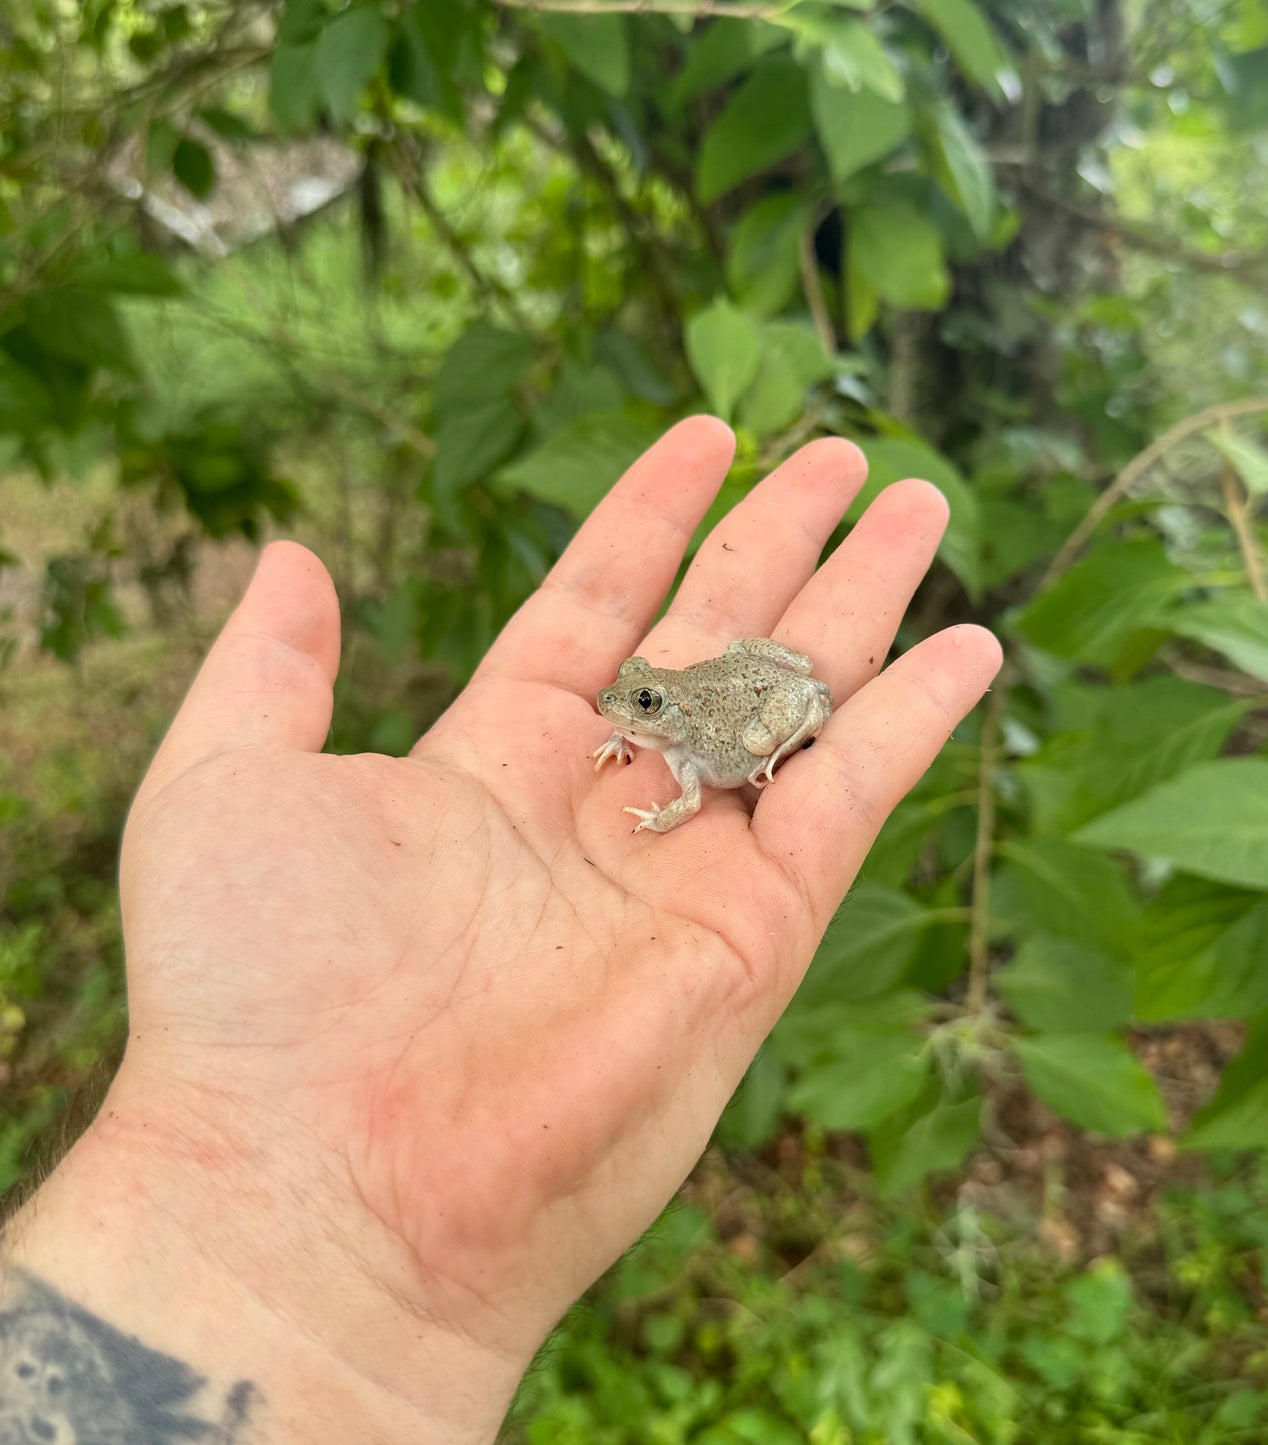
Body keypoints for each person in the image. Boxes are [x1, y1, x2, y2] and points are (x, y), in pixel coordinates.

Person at [0, 419, 1001, 1442]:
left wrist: (663, 804)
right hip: (712, 693)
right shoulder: (645, 718)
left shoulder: (688, 749)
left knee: (750, 735)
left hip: (742, 715)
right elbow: (641, 716)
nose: (622, 710)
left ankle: (778, 728)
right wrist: (630, 726)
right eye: (630, 704)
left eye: (636, 703)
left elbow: (691, 789)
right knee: (699, 700)